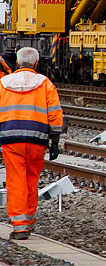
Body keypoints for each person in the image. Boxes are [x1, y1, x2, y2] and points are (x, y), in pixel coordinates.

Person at [0, 47, 63, 239]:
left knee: (16, 180)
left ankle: (20, 226)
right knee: (31, 179)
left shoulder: (3, 83)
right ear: (36, 63)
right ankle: (30, 219)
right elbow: (54, 113)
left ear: (17, 63)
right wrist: (55, 141)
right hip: (37, 139)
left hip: (11, 140)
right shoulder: (45, 84)